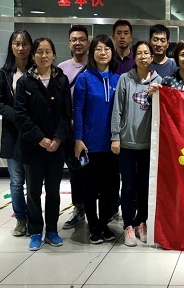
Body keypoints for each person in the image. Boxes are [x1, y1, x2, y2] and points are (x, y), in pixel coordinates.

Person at [15, 38, 72, 251]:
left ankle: (52, 231)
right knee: (33, 192)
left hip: (56, 148)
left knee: (54, 192)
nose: (44, 56)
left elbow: (67, 115)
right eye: (40, 51)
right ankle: (35, 231)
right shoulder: (25, 82)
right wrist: (40, 138)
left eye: (48, 51)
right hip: (33, 147)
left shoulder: (61, 80)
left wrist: (57, 138)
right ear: (34, 55)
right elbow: (21, 116)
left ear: (54, 55)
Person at [111, 41, 162, 247]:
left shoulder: (159, 81)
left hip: (149, 145)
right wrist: (115, 136)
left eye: (146, 53)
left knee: (145, 186)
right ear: (134, 57)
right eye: (139, 53)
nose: (143, 56)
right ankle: (128, 225)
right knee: (128, 186)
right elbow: (117, 109)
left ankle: (142, 222)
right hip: (127, 143)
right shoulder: (125, 79)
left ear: (152, 57)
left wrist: (156, 94)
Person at [73, 35, 121, 244]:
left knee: (110, 189)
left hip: (112, 145)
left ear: (112, 53)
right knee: (90, 188)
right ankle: (93, 226)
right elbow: (77, 110)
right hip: (89, 145)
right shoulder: (84, 78)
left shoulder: (118, 79)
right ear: (92, 53)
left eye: (107, 49)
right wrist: (78, 139)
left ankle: (103, 224)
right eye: (98, 49)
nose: (103, 53)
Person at [0, 29, 34, 237]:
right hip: (12, 135)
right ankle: (21, 219)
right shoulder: (5, 73)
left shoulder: (37, 71)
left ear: (30, 46)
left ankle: (34, 220)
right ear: (11, 46)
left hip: (33, 135)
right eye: (17, 43)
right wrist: (17, 116)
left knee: (33, 182)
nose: (21, 47)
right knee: (17, 182)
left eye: (25, 43)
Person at [58, 24, 89, 231]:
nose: (78, 43)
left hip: (93, 130)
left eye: (81, 39)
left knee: (94, 172)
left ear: (88, 42)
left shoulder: (95, 65)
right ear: (69, 43)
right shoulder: (61, 68)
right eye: (74, 40)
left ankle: (99, 210)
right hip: (71, 132)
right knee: (76, 172)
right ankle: (78, 208)